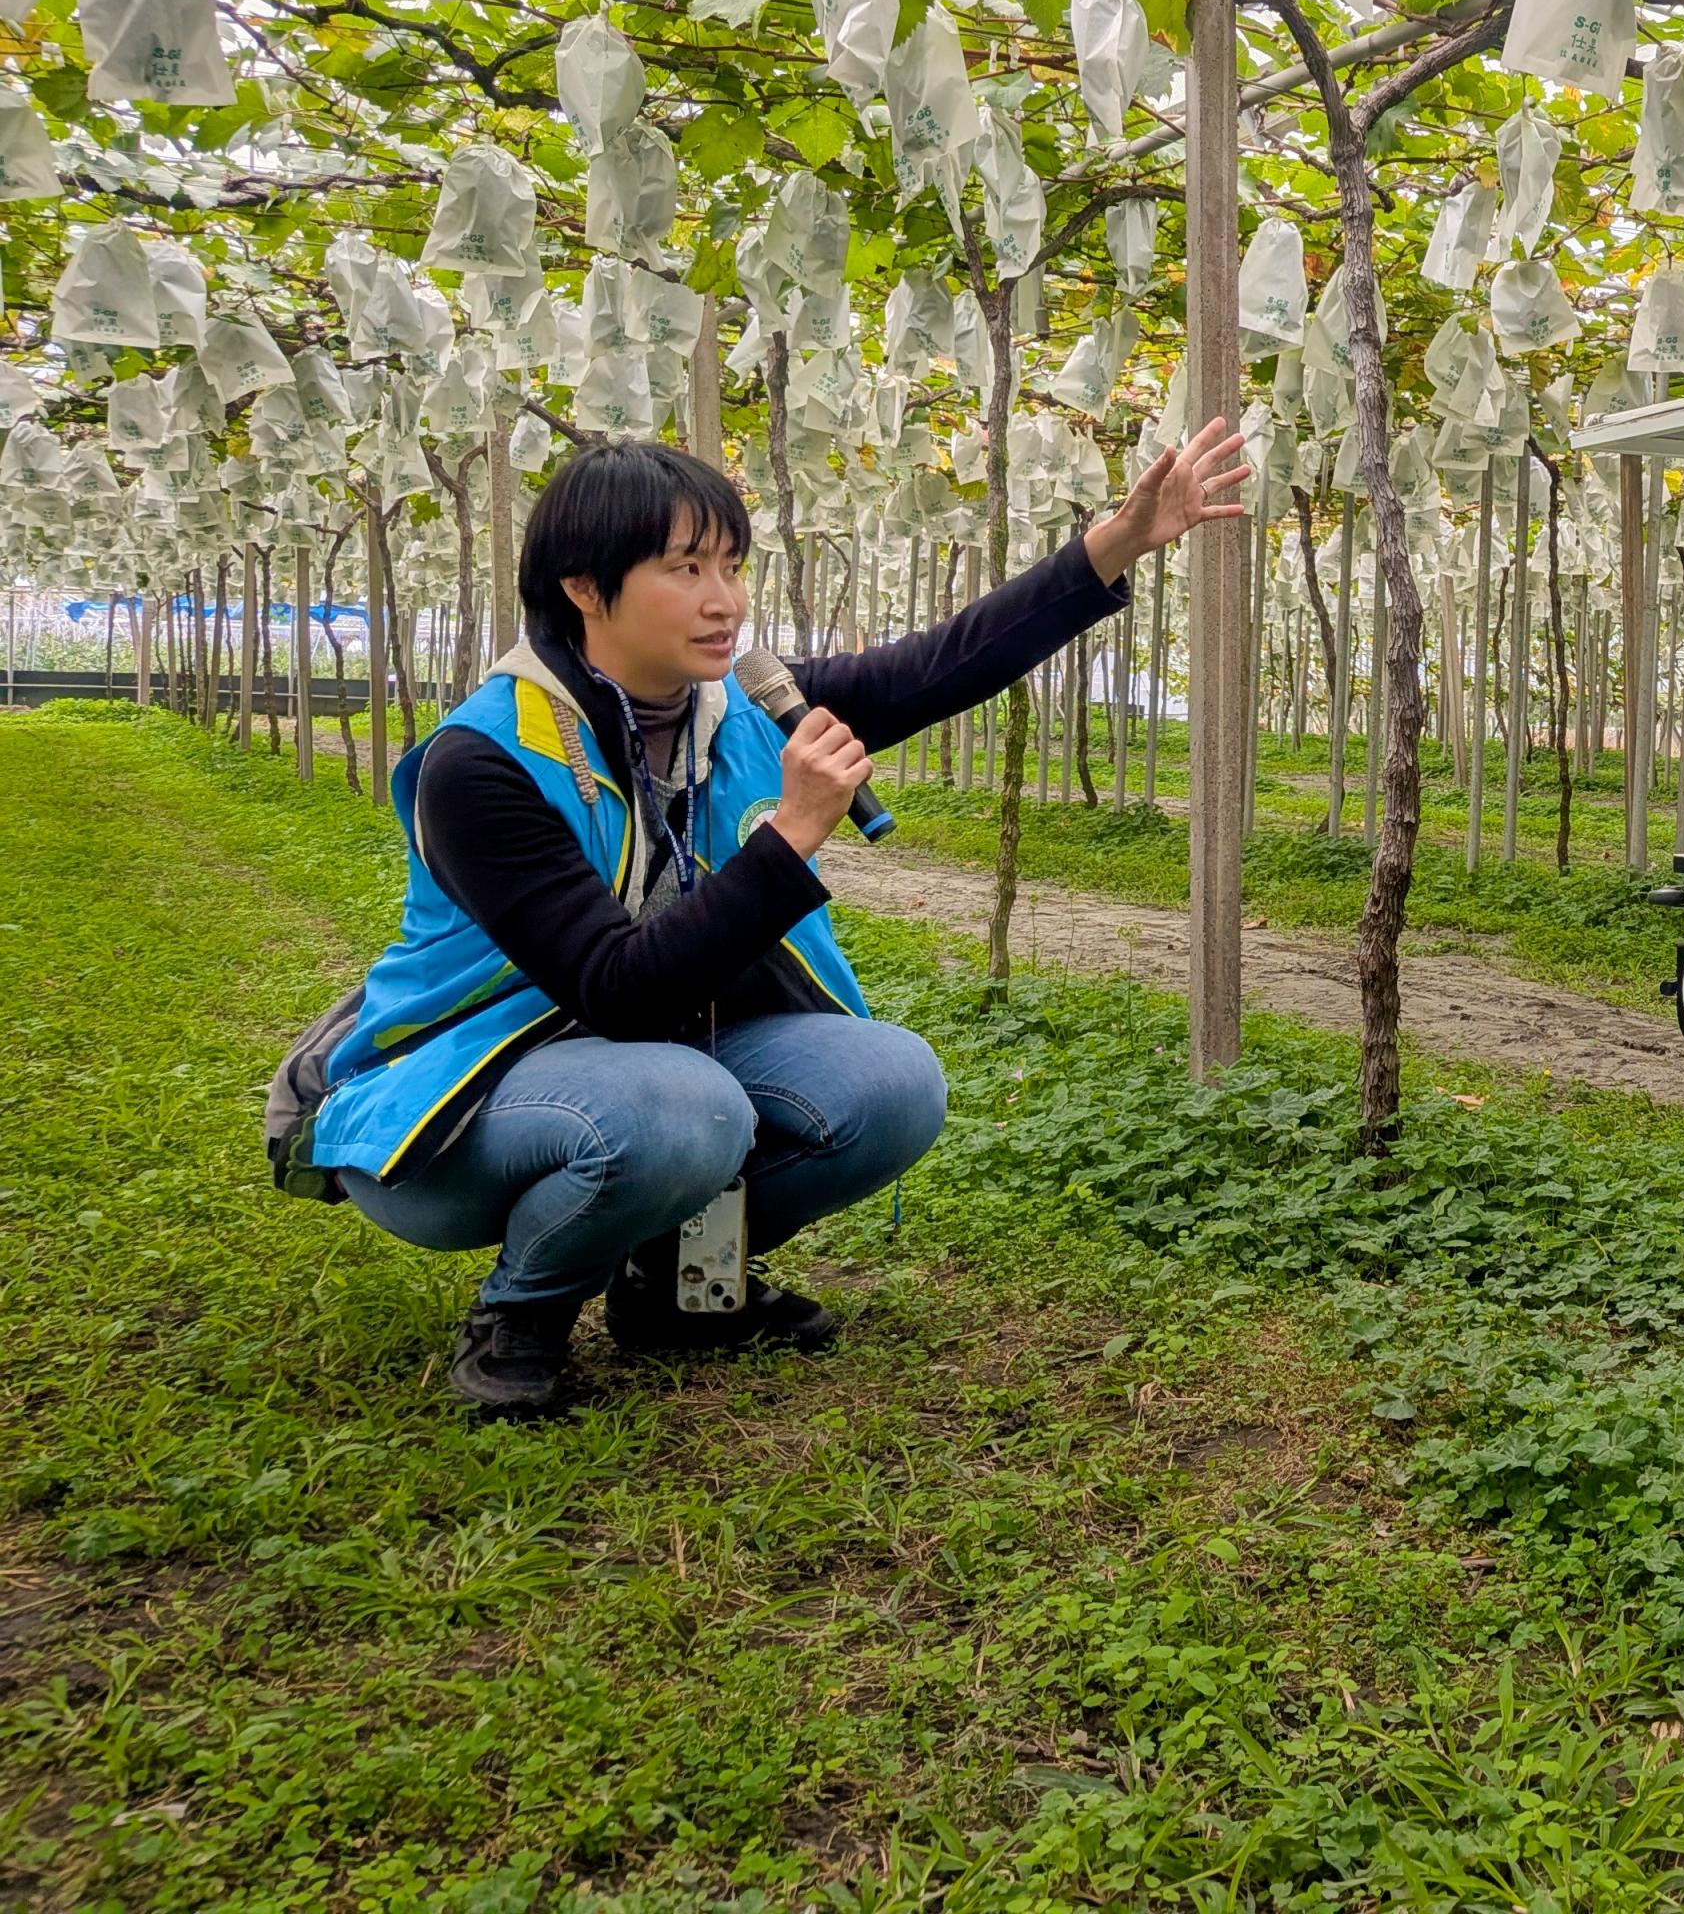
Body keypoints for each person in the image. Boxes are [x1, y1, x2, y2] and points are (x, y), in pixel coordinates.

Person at [303, 420, 1252, 1416]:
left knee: (888, 1081)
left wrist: (1117, 542)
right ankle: (523, 1311)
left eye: (731, 564)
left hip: (651, 1070)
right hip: (461, 1109)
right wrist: (791, 834)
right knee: (683, 1104)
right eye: (684, 567)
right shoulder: (487, 761)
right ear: (584, 588)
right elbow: (621, 993)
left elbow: (937, 665)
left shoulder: (745, 708)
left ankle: (682, 1290)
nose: (724, 599)